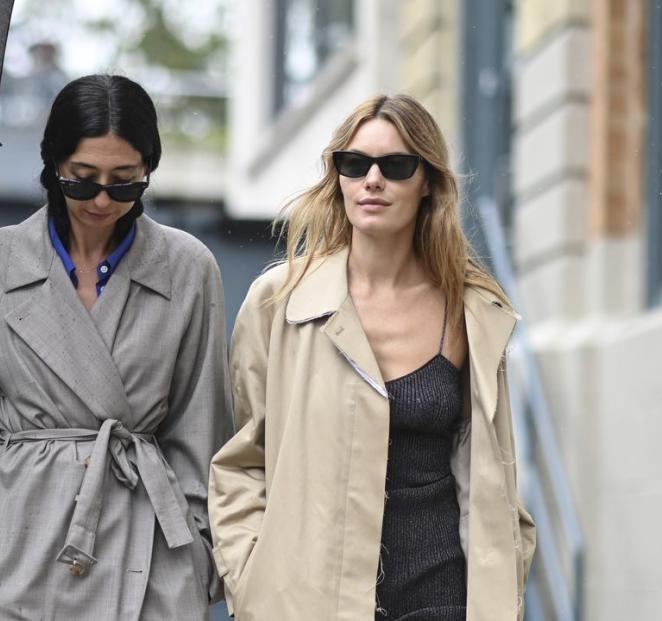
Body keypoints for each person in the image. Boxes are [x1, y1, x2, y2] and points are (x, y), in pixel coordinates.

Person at [208, 94, 536, 620]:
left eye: (397, 165)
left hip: (443, 595)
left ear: (428, 180)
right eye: (355, 164)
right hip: (308, 601)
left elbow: (495, 471)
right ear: (337, 175)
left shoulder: (472, 311)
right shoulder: (280, 302)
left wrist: (506, 581)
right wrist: (250, 579)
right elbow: (244, 459)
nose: (373, 180)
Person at [0, 74, 232, 620]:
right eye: (83, 181)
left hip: (146, 560)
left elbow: (201, 432)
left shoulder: (188, 268)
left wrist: (196, 562)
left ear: (148, 173)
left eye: (125, 183)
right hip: (12, 552)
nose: (103, 200)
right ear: (53, 167)